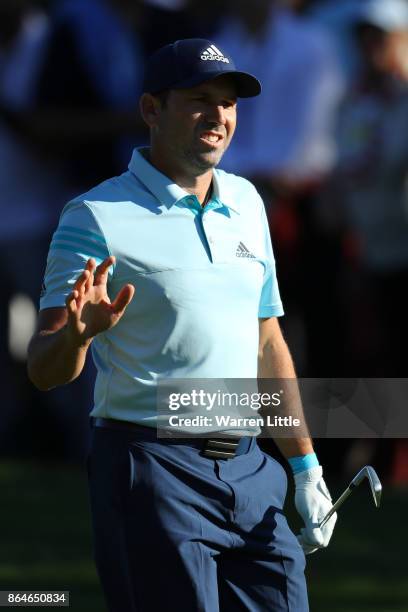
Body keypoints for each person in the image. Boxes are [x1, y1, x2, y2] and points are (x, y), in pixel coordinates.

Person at [27, 39, 337, 612]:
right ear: (152, 110)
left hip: (251, 468)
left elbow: (267, 342)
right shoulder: (93, 217)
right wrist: (78, 334)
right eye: (200, 100)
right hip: (151, 468)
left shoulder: (247, 202)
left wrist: (304, 465)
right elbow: (44, 369)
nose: (219, 117)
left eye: (229, 103)